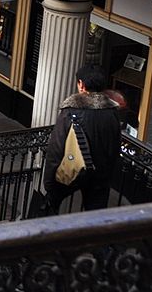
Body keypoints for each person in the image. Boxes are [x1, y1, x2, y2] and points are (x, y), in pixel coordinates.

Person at [42, 65, 122, 214]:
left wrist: (50, 184)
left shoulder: (70, 111)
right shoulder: (112, 113)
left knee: (50, 208)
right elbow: (115, 145)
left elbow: (56, 149)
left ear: (81, 84)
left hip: (74, 170)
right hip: (100, 174)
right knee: (95, 215)